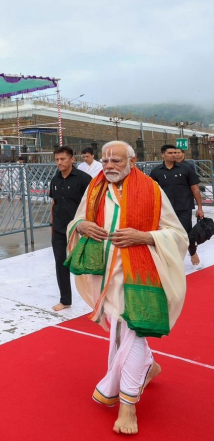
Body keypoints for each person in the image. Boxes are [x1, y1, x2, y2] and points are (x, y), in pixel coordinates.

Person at [66, 141, 187, 435]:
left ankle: (127, 402)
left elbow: (176, 234)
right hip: (104, 274)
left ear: (132, 161)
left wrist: (144, 236)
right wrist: (81, 227)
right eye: (105, 161)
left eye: (116, 161)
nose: (109, 166)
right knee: (122, 329)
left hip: (139, 276)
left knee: (128, 329)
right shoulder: (95, 188)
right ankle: (149, 366)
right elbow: (77, 219)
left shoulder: (152, 190)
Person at [49, 145, 92, 312]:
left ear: (72, 159)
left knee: (89, 264)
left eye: (63, 159)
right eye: (57, 160)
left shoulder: (84, 179)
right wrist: (52, 226)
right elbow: (54, 204)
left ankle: (97, 300)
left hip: (80, 228)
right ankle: (65, 300)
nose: (59, 163)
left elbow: (91, 205)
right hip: (60, 229)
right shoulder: (55, 180)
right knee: (60, 263)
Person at [149, 144, 204, 265]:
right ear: (163, 154)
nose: (174, 155)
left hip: (184, 207)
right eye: (170, 153)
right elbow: (151, 191)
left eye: (175, 153)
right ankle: (170, 259)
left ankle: (193, 252)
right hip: (165, 209)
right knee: (166, 234)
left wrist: (200, 208)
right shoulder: (156, 171)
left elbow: (195, 189)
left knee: (186, 233)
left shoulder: (186, 169)